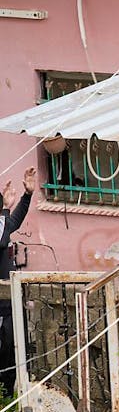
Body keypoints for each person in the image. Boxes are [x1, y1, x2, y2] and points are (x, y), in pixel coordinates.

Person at [0, 167, 35, 397]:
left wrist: (27, 195)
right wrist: (5, 209)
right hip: (1, 302)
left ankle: (7, 394)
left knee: (12, 348)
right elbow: (2, 241)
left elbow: (14, 222)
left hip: (8, 302)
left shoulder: (2, 223)